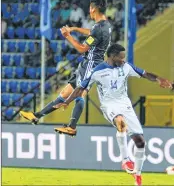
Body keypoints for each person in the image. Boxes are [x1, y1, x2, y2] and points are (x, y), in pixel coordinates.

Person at [54, 44, 173, 186]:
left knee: (140, 142)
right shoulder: (97, 71)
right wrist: (67, 101)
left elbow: (145, 74)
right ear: (112, 56)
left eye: (124, 57)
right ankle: (125, 160)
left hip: (125, 104)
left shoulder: (126, 67)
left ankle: (138, 175)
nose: (123, 60)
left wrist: (159, 79)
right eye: (121, 57)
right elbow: (81, 88)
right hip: (109, 104)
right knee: (120, 121)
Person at [20, 0, 112, 135]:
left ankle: (72, 127)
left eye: (90, 8)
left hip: (91, 65)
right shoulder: (104, 25)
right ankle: (36, 116)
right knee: (64, 94)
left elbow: (82, 48)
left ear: (93, 9)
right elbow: (91, 33)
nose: (89, 11)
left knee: (80, 94)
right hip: (89, 64)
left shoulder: (98, 28)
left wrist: (67, 36)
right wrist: (75, 29)